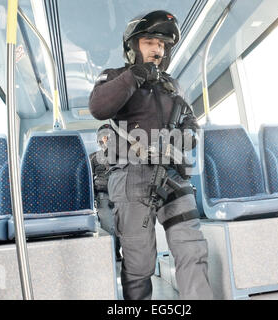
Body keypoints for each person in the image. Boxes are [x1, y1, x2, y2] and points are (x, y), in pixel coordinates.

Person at [89, 10, 213, 300]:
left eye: (162, 45)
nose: (158, 49)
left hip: (172, 175)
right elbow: (99, 108)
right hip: (132, 176)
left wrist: (186, 136)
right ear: (133, 47)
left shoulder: (173, 85)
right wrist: (135, 76)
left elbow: (191, 125)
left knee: (192, 248)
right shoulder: (115, 76)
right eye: (150, 42)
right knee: (139, 262)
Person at [89, 123, 122, 261]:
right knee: (109, 229)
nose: (106, 139)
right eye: (103, 137)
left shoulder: (122, 156)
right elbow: (89, 180)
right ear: (98, 140)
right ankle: (111, 255)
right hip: (103, 198)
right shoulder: (93, 158)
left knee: (121, 229)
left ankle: (117, 252)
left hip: (121, 197)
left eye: (109, 137)